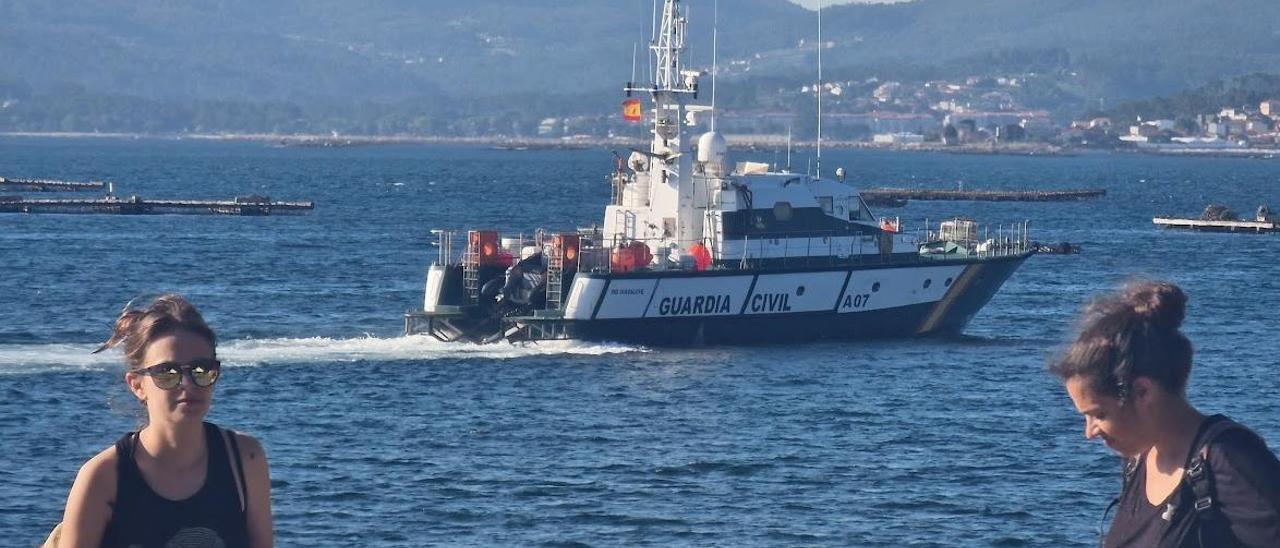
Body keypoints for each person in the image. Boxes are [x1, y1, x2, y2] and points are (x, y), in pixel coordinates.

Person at [1051, 281, 1280, 547]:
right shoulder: (1139, 461)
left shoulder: (1228, 459)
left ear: (1142, 392)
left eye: (1099, 414)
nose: (1089, 432)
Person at [53, 294, 272, 547]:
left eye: (201, 370)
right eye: (167, 373)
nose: (188, 385)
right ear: (137, 385)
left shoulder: (244, 460)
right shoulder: (103, 477)